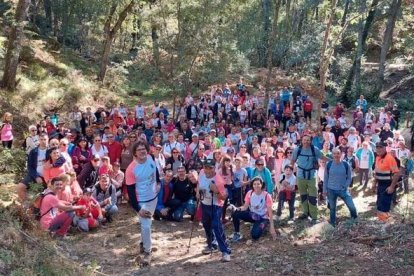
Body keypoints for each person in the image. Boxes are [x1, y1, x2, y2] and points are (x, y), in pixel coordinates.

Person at [125, 141, 161, 266]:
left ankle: (143, 243)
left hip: (154, 198)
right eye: (139, 150)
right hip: (142, 201)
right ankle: (147, 252)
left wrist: (159, 183)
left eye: (144, 149)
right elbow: (130, 192)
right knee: (146, 226)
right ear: (135, 153)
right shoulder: (131, 169)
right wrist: (138, 208)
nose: (142, 151)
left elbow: (155, 170)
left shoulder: (150, 158)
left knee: (147, 224)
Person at [196, 159, 231, 262]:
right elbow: (198, 184)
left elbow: (224, 197)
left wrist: (215, 191)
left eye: (210, 167)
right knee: (206, 225)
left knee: (217, 226)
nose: (208, 170)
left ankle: (225, 251)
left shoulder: (218, 180)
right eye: (206, 167)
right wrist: (198, 192)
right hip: (204, 204)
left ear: (214, 168)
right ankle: (212, 244)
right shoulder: (202, 173)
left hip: (215, 206)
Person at [291, 135, 326, 223]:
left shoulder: (315, 149)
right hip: (300, 176)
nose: (306, 142)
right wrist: (291, 173)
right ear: (301, 141)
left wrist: (333, 160)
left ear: (310, 141)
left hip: (312, 176)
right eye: (304, 140)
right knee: (303, 195)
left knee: (313, 197)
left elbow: (322, 157)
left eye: (308, 140)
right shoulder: (297, 150)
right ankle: (305, 212)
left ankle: (314, 216)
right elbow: (293, 161)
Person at [230, 177, 277, 242]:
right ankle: (237, 233)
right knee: (235, 213)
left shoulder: (267, 196)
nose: (256, 186)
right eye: (254, 184)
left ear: (262, 184)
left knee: (255, 236)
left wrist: (272, 227)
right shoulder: (250, 193)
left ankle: (263, 225)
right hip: (253, 215)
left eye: (258, 184)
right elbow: (245, 207)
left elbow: (270, 213)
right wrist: (237, 209)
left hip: (263, 218)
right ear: (252, 185)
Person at [323, 148, 357, 226]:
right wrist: (324, 190)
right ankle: (332, 223)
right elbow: (326, 178)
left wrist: (345, 186)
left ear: (341, 154)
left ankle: (355, 220)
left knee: (351, 206)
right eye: (334, 153)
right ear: (332, 155)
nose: (336, 155)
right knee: (332, 208)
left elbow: (349, 177)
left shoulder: (345, 164)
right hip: (331, 190)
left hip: (343, 190)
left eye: (338, 153)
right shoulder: (329, 164)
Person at [373, 141, 400, 221]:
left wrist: (392, 187)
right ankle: (381, 221)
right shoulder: (378, 157)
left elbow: (396, 173)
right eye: (377, 147)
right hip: (380, 184)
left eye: (380, 147)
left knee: (384, 205)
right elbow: (376, 171)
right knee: (379, 204)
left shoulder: (389, 158)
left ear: (385, 148)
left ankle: (385, 223)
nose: (378, 149)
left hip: (387, 185)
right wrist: (374, 183)